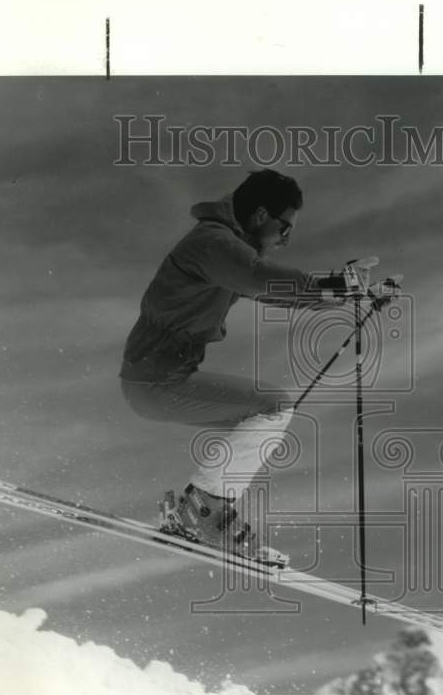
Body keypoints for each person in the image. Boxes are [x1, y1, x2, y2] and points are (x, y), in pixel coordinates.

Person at [119, 170, 396, 564]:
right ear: (261, 215)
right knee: (273, 407)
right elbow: (261, 280)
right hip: (154, 382)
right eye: (284, 227)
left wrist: (352, 294)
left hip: (159, 380)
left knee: (266, 413)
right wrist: (338, 287)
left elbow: (272, 291)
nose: (286, 239)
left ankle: (199, 510)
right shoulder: (213, 244)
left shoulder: (224, 250)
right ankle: (202, 511)